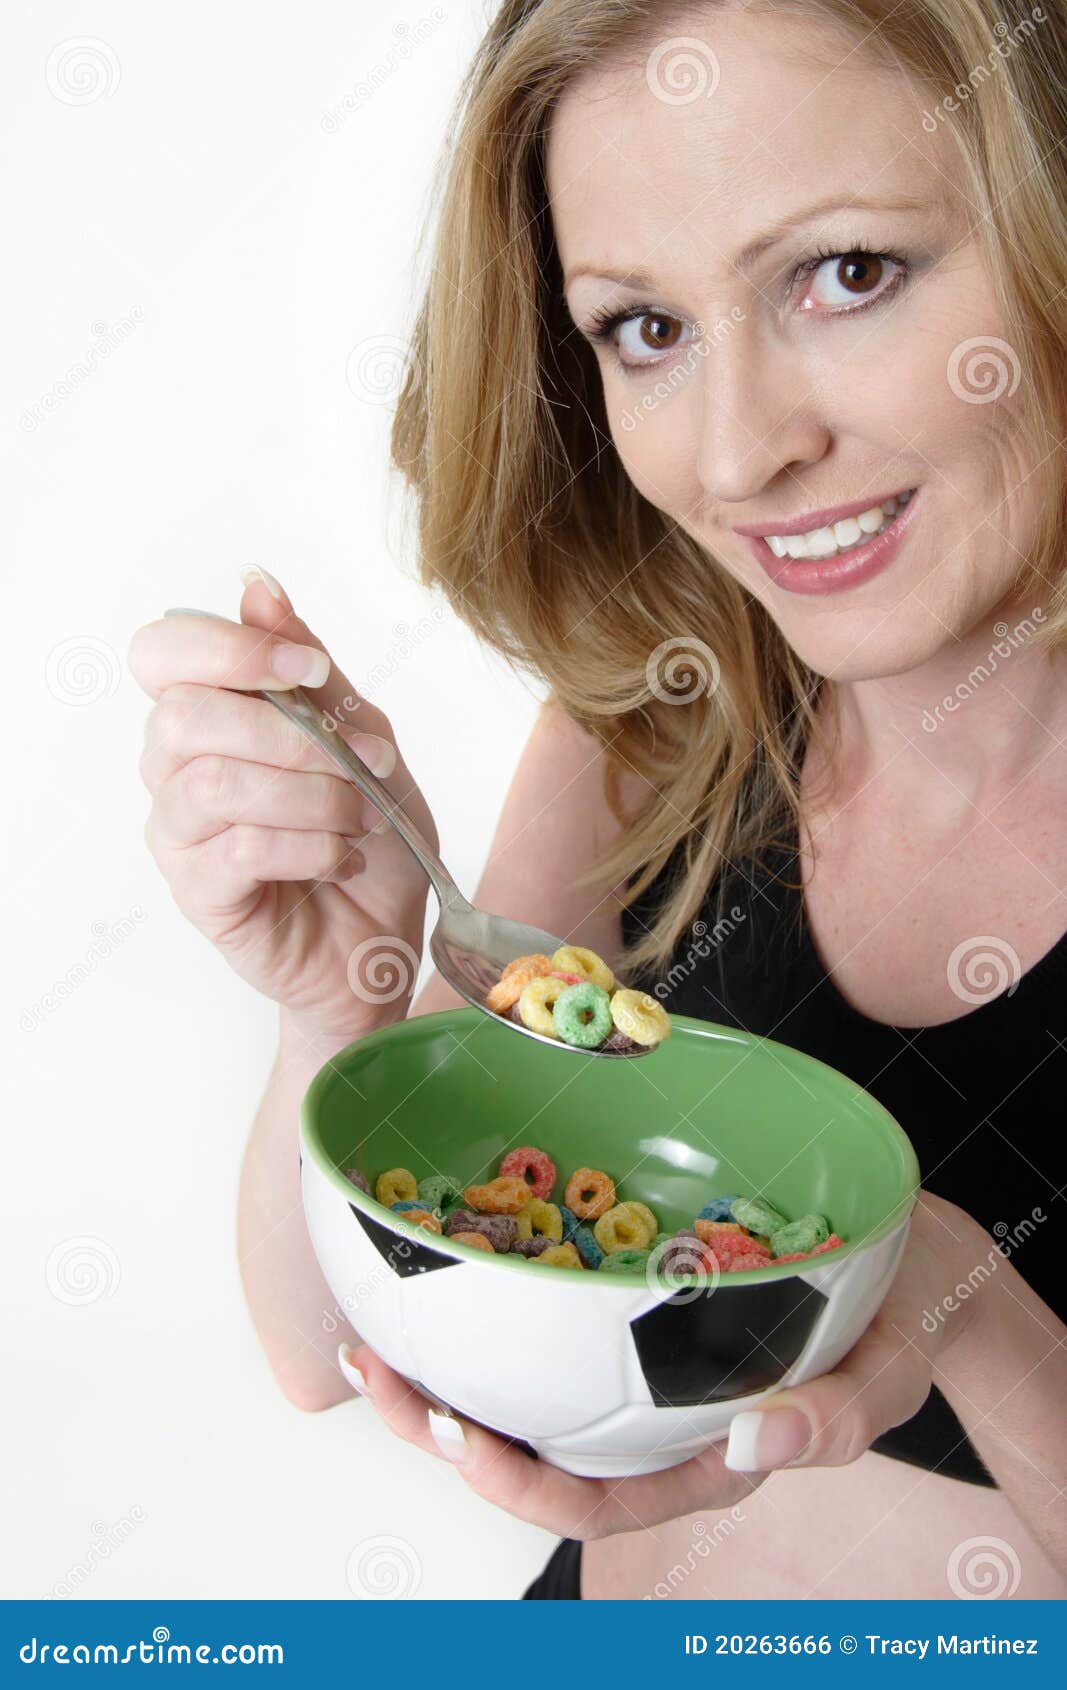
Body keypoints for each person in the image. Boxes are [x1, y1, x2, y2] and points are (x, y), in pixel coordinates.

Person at [129, 0, 1067, 1598]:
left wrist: (954, 1294)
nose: (738, 452)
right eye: (645, 327)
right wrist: (339, 1006)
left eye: (848, 274)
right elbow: (322, 1341)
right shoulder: (655, 728)